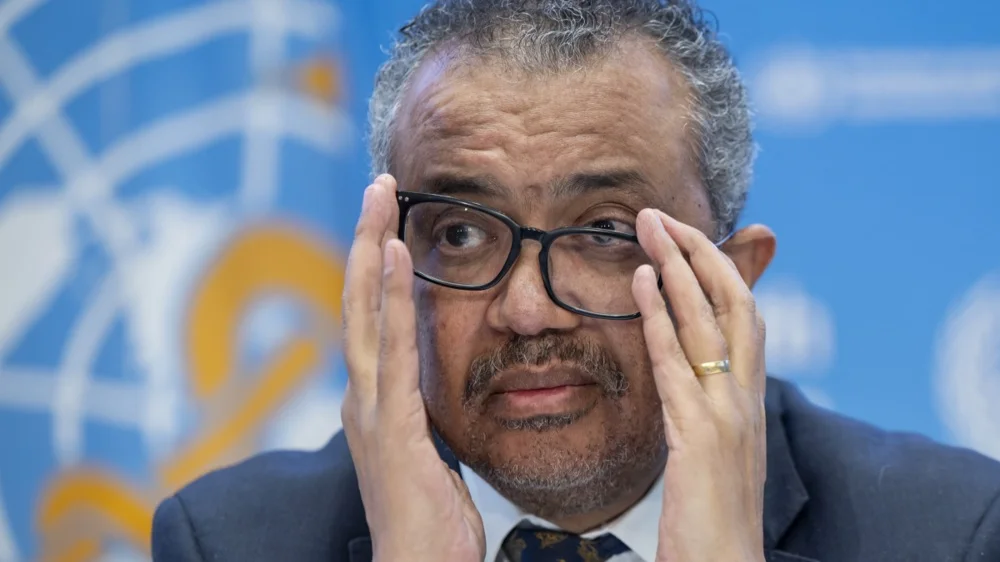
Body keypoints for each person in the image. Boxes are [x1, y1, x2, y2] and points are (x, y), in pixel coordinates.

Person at [151, 1, 1000, 561]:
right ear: (387, 276)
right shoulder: (230, 544)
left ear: (732, 284)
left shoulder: (946, 534)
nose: (526, 311)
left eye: (604, 233)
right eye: (461, 233)